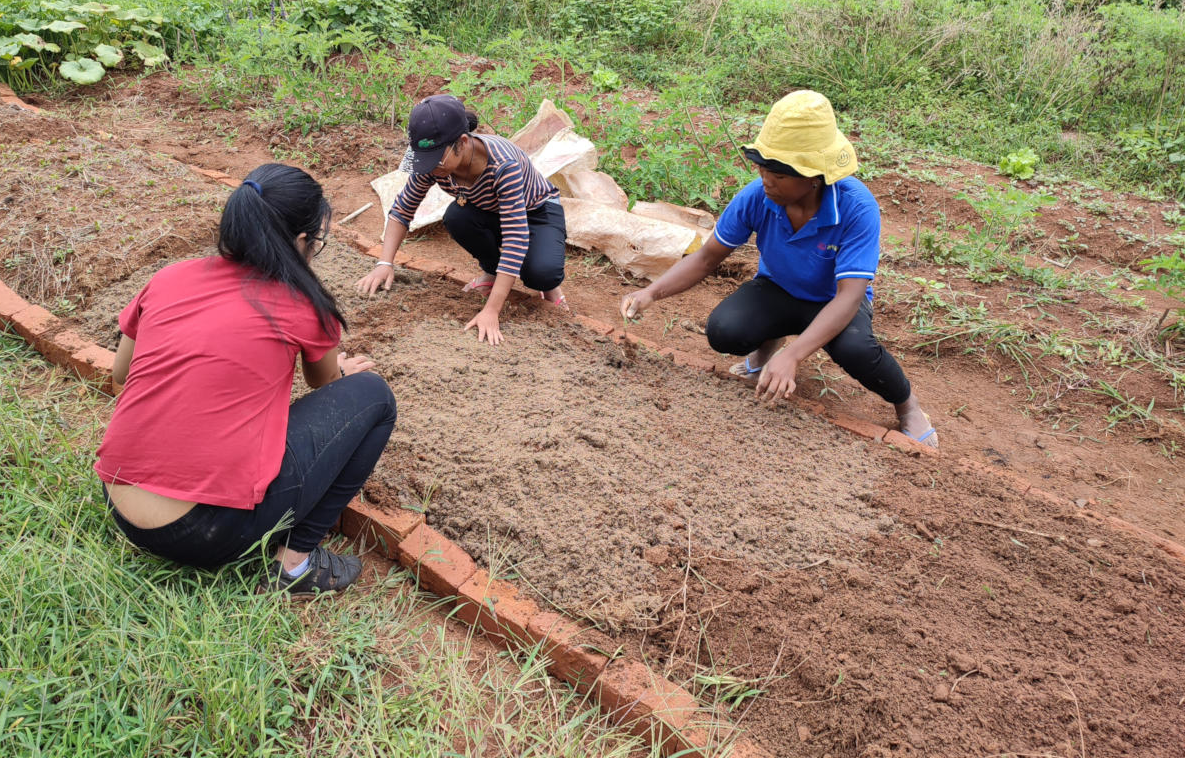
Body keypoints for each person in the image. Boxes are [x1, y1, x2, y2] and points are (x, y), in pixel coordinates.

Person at [95, 163, 397, 594]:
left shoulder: (169, 278)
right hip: (203, 532)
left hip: (119, 500)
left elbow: (121, 372)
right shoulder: (303, 304)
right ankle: (295, 566)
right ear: (300, 242)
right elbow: (326, 382)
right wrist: (344, 370)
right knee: (374, 397)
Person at [620, 90, 937, 447]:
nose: (766, 179)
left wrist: (795, 355)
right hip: (778, 289)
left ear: (814, 176)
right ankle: (770, 344)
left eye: (780, 174)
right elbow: (708, 257)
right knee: (725, 331)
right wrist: (651, 292)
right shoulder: (757, 196)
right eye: (762, 167)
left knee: (856, 349)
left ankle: (908, 406)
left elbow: (849, 297)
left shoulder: (856, 208)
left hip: (833, 302)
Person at [356, 94, 568, 345]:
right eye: (425, 161)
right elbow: (403, 208)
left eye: (436, 160)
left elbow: (515, 238)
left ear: (463, 142)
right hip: (489, 208)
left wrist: (491, 311)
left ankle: (551, 287)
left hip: (537, 212)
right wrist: (384, 263)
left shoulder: (503, 166)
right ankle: (491, 271)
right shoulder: (434, 163)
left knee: (541, 273)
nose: (430, 168)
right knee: (457, 218)